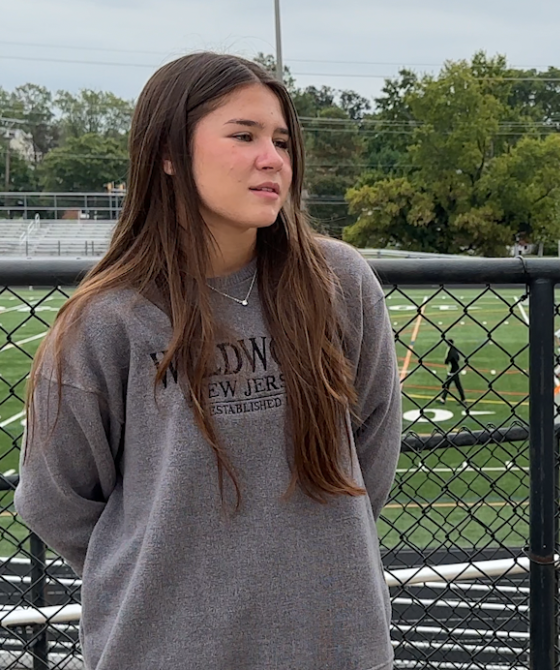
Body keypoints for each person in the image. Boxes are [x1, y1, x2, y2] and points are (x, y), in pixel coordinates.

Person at [14, 53, 403, 670]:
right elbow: (56, 499)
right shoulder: (107, 319)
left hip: (337, 644)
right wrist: (168, 571)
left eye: (280, 140)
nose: (271, 158)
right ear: (168, 153)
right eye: (243, 136)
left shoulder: (340, 284)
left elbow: (372, 460)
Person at [439, 337, 466, 404]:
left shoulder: (450, 351)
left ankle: (443, 399)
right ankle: (443, 398)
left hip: (452, 371)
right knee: (452, 385)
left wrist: (447, 361)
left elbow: (448, 360)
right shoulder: (454, 349)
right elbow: (457, 358)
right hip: (454, 370)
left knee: (450, 385)